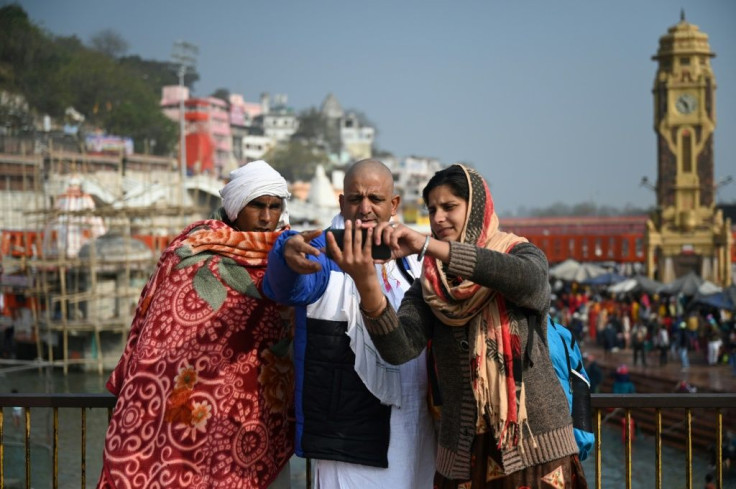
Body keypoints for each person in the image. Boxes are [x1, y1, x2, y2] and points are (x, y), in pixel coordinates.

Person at [328, 164, 587, 488]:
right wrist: (367, 284)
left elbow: (524, 280)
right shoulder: (430, 284)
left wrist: (429, 247)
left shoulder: (520, 254)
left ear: (477, 209)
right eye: (432, 209)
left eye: (449, 207)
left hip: (536, 450)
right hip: (463, 455)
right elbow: (399, 348)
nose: (438, 218)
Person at [97, 161, 295, 489]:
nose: (266, 217)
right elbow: (160, 328)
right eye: (257, 206)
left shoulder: (289, 256)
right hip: (187, 408)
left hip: (256, 410)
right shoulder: (191, 250)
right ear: (235, 208)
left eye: (275, 207)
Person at [263, 159, 435, 488]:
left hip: (416, 435)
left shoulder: (413, 259)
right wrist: (284, 256)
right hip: (348, 443)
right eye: (355, 199)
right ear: (342, 203)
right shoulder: (321, 253)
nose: (365, 209)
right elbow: (286, 289)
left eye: (376, 199)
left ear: (394, 204)